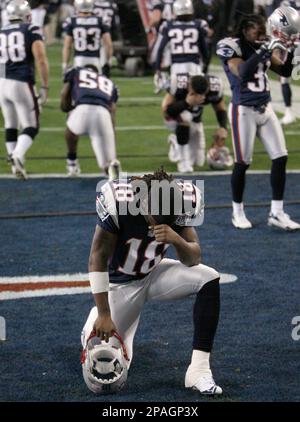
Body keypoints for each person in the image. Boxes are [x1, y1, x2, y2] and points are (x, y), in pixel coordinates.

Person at [82, 168, 222, 395]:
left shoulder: (182, 199)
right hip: (121, 286)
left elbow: (193, 257)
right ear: (143, 202)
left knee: (209, 277)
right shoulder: (118, 200)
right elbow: (97, 256)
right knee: (107, 377)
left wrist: (176, 238)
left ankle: (199, 370)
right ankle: (93, 322)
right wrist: (104, 313)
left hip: (154, 273)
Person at [217, 10, 300, 230]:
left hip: (266, 108)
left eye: (265, 31)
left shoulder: (260, 46)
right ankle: (237, 211)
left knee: (280, 157)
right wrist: (266, 48)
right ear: (245, 30)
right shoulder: (231, 46)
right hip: (243, 110)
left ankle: (277, 212)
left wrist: (290, 51)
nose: (263, 35)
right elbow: (242, 72)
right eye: (259, 31)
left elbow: (284, 70)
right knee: (242, 162)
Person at [0, 0, 49, 179]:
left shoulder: (2, 30)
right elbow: (41, 59)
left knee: (10, 124)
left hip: (2, 83)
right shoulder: (30, 29)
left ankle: (15, 168)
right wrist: (44, 85)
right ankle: (17, 155)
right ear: (26, 14)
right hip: (21, 82)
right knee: (31, 126)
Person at [60, 64, 120, 179]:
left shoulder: (76, 71)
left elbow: (64, 94)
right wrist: (111, 135)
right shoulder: (109, 83)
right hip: (103, 115)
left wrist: (67, 108)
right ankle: (112, 171)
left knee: (70, 124)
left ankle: (71, 161)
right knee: (107, 164)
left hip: (82, 109)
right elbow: (112, 111)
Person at [162, 74, 228, 172]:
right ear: (189, 85)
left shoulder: (214, 87)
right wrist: (186, 103)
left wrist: (222, 127)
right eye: (195, 94)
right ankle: (183, 161)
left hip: (195, 121)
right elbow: (166, 111)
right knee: (186, 116)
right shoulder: (178, 84)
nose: (199, 97)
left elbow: (220, 108)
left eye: (202, 95)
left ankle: (176, 143)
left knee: (198, 162)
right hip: (173, 119)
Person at [154, 0, 208, 94]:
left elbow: (160, 49)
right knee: (196, 93)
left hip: (176, 66)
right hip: (194, 65)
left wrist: (157, 67)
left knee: (176, 94)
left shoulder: (169, 26)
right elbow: (204, 49)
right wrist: (205, 65)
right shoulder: (198, 25)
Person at [62, 0, 112, 74]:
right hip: (96, 59)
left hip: (79, 59)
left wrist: (65, 63)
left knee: (76, 83)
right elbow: (108, 44)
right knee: (97, 83)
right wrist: (108, 61)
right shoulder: (100, 21)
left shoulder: (72, 21)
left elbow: (67, 46)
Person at [278, 0, 300, 125]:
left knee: (284, 78)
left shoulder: (285, 4)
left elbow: (281, 24)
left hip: (293, 45)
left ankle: (289, 112)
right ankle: (288, 113)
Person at [93, 0, 120, 77]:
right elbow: (115, 23)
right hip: (106, 31)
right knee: (105, 55)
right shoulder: (112, 5)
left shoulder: (93, 4)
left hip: (94, 32)